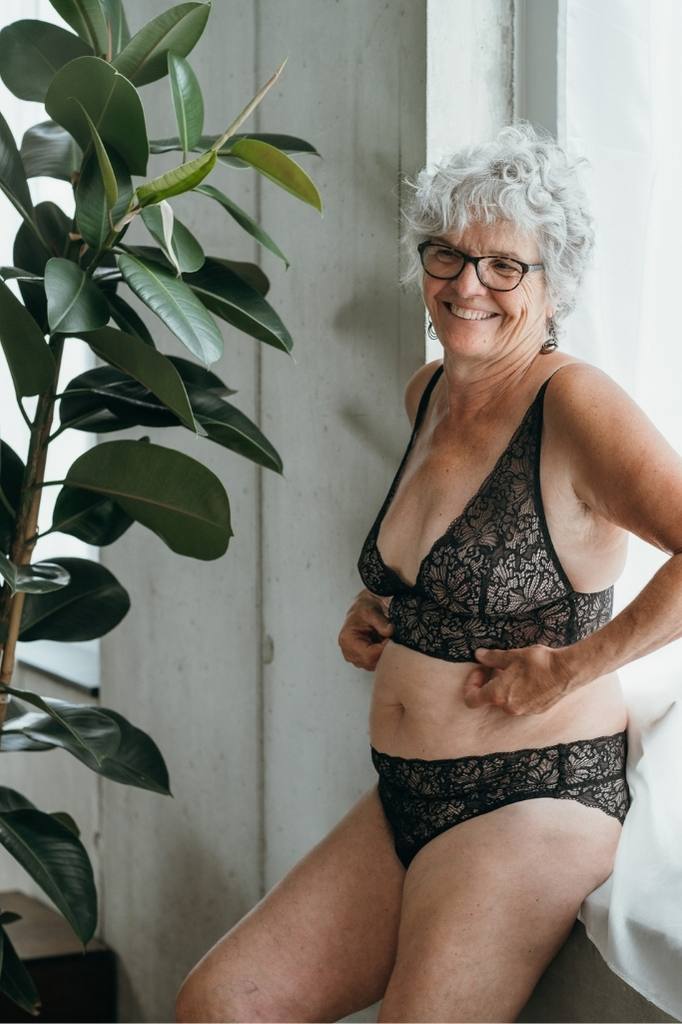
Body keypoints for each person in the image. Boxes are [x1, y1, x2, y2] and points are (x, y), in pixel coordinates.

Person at [175, 121, 682, 1023]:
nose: (465, 286)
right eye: (445, 255)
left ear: (554, 283)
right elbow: (451, 564)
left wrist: (574, 665)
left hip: (534, 791)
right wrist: (376, 610)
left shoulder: (575, 404)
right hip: (407, 793)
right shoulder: (430, 392)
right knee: (223, 1005)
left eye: (502, 266)